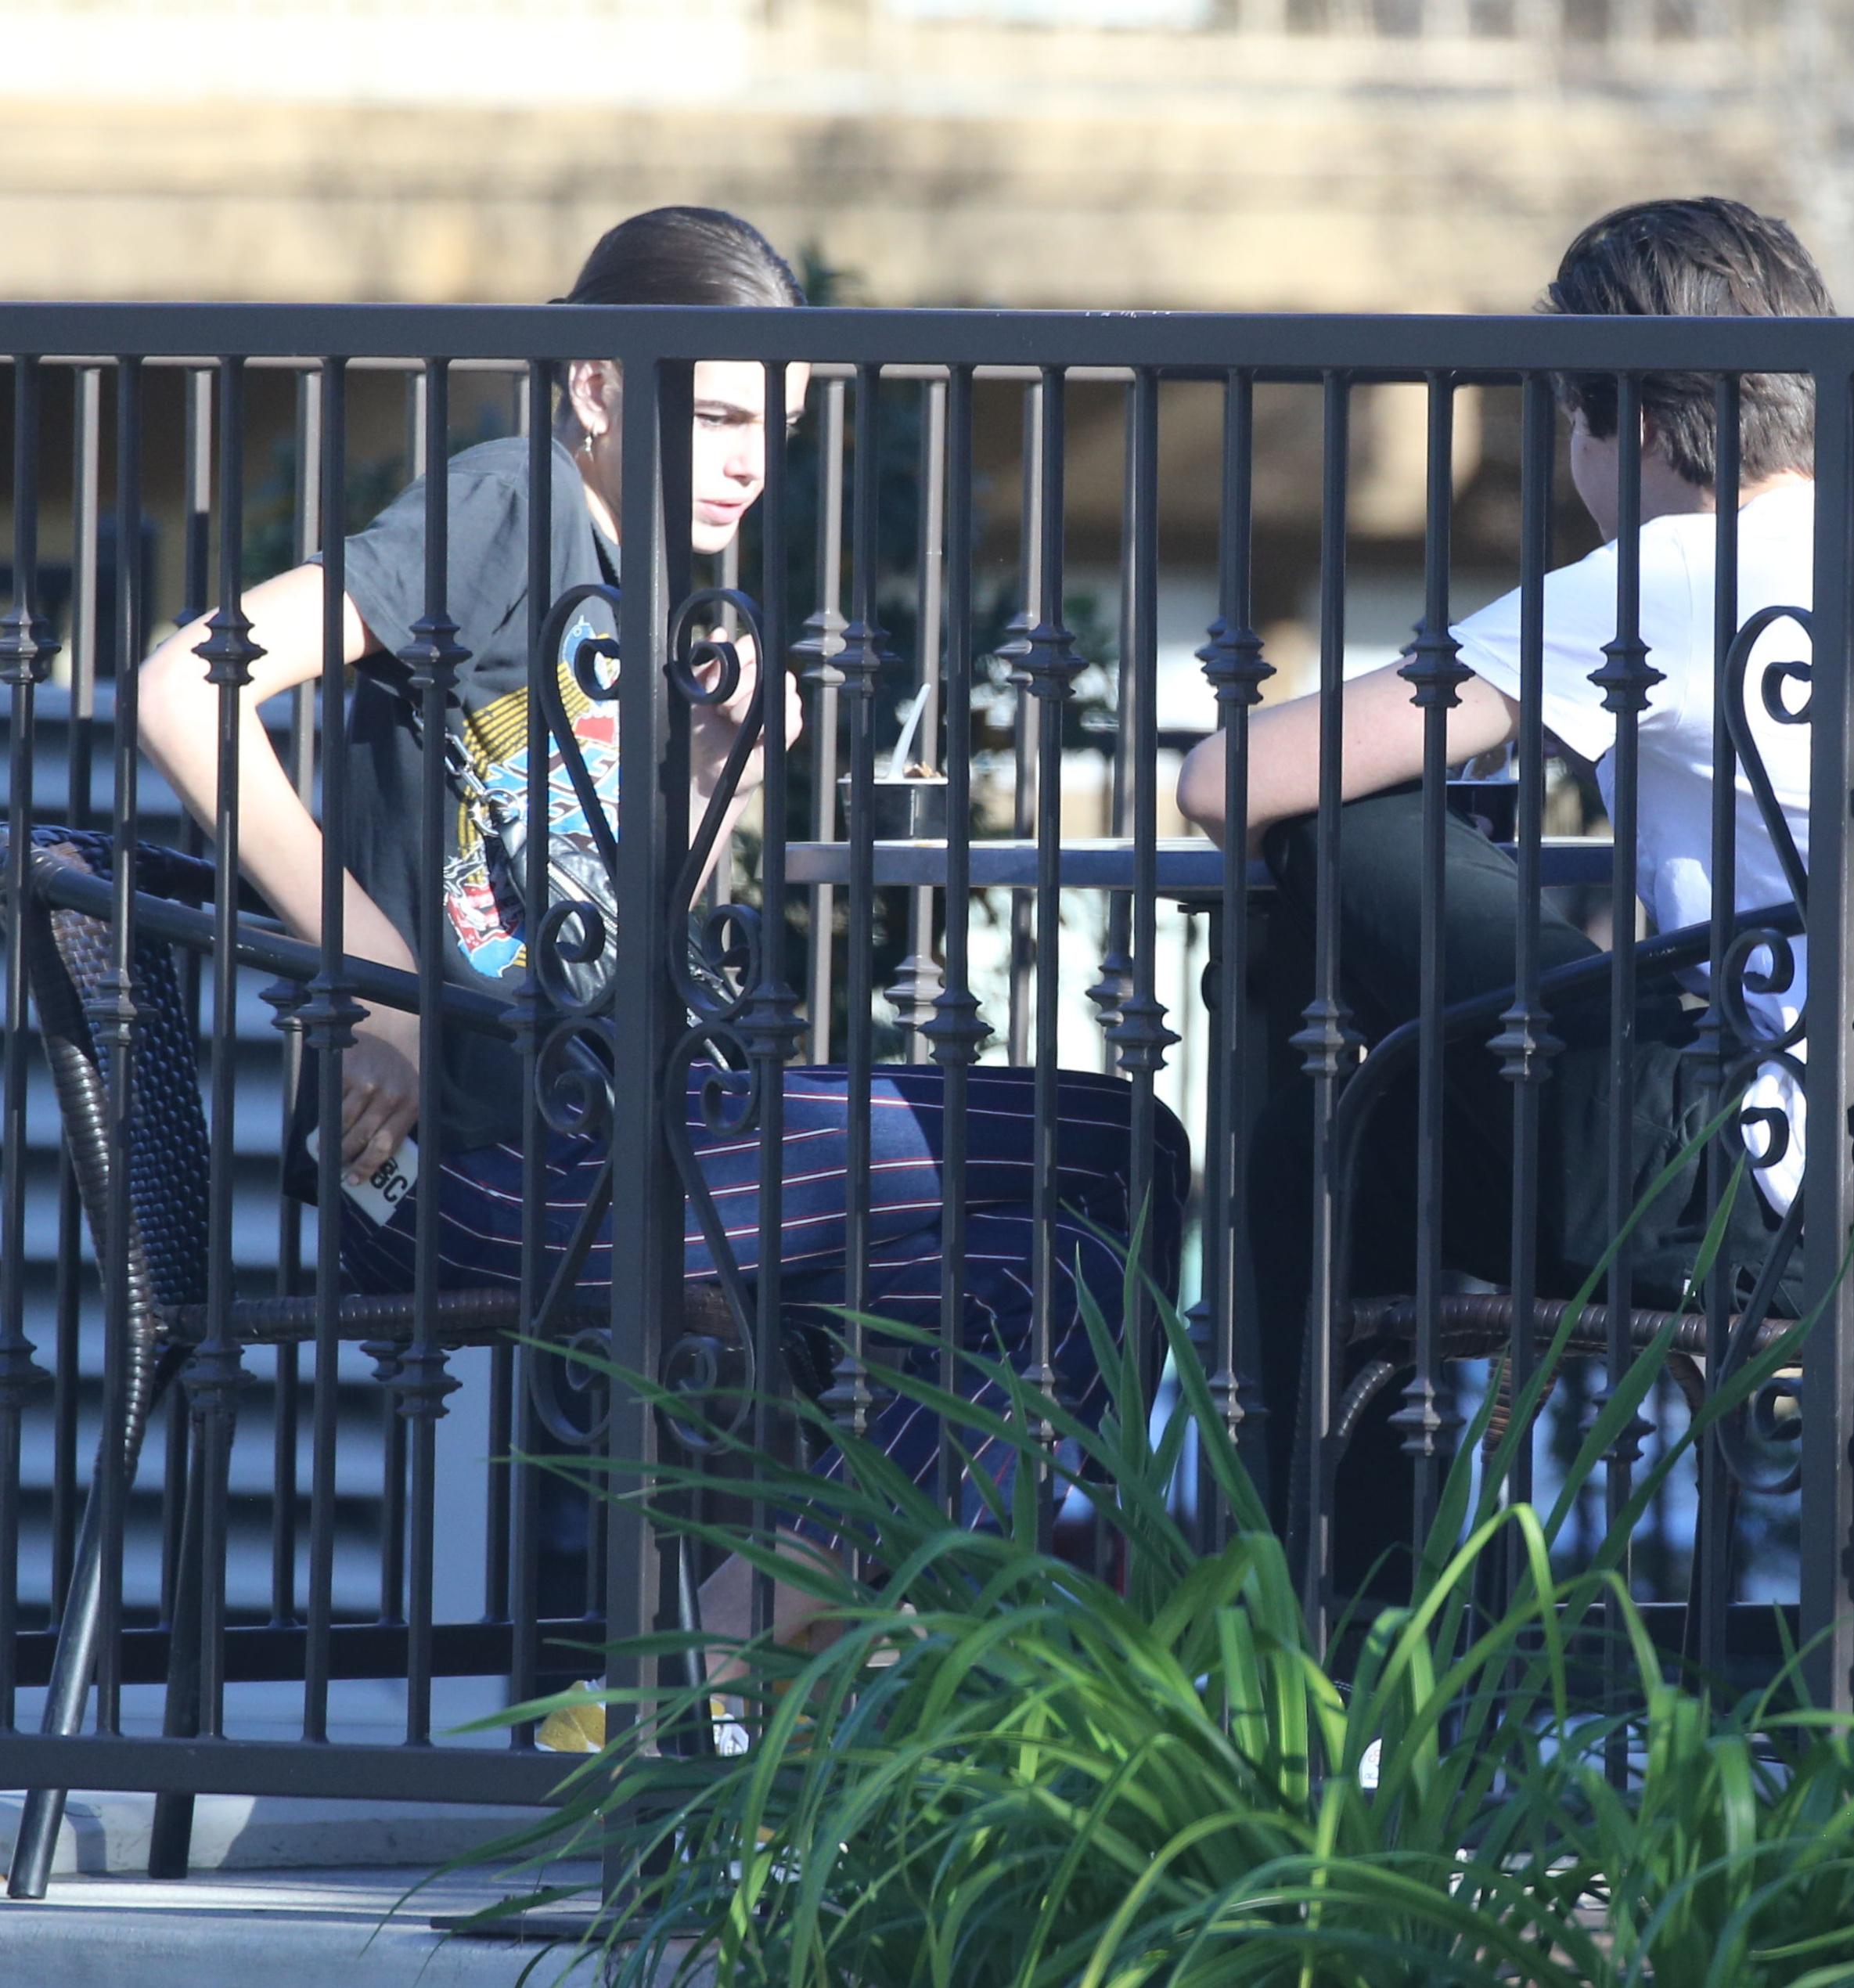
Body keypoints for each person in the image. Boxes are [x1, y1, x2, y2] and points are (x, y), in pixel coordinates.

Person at [139, 206, 1188, 1667]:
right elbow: (182, 685)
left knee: (1057, 1267)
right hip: (464, 1165)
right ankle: (766, 1637)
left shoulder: (643, 592)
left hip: (590, 1139)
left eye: (777, 425)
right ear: (596, 385)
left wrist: (712, 772)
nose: (752, 461)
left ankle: (766, 1623)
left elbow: (593, 941)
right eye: (717, 415)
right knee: (1122, 1148)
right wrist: (380, 989)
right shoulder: (510, 508)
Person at [1176, 195, 1854, 1594]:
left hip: (1787, 1194)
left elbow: (1225, 781)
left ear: (1614, 419)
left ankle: (1351, 1649)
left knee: (1347, 843)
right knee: (1345, 1145)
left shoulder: (1666, 575)